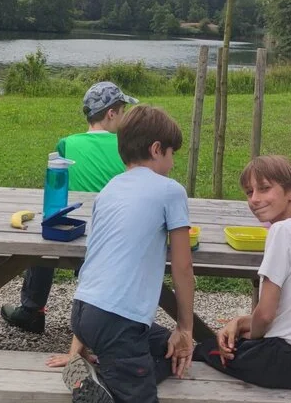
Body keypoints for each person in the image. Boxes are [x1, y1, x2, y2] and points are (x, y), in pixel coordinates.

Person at [57, 105, 196, 403]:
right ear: (157, 149)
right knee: (140, 395)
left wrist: (76, 350)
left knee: (163, 347)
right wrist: (185, 328)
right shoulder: (171, 191)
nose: (173, 164)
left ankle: (89, 375)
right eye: (172, 154)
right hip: (117, 322)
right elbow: (183, 267)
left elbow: (96, 262)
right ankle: (99, 384)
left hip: (84, 313)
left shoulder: (109, 190)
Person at [0, 80, 139, 334]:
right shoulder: (126, 147)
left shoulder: (67, 143)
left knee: (46, 232)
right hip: (115, 236)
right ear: (111, 114)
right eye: (123, 111)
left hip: (72, 231)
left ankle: (32, 310)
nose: (125, 117)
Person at [193, 155, 291, 389]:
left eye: (264, 189)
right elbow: (283, 312)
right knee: (234, 340)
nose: (254, 199)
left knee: (205, 350)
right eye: (249, 192)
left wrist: (246, 338)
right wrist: (240, 322)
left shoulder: (282, 231)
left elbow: (265, 316)